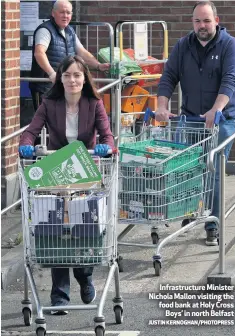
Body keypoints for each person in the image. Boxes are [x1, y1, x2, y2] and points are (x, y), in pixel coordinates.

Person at [19, 55, 114, 314]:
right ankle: (59, 294)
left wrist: (106, 147)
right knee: (55, 232)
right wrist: (26, 144)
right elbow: (32, 129)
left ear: (85, 79)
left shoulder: (94, 104)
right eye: (67, 75)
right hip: (56, 171)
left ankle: (84, 276)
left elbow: (107, 134)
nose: (72, 80)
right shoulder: (50, 103)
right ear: (60, 79)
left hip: (85, 171)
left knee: (83, 228)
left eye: (77, 75)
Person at [155, 1, 235, 246]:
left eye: (206, 20)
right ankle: (194, 211)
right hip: (191, 118)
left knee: (212, 169)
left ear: (216, 19)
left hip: (222, 120)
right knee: (191, 169)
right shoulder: (183, 45)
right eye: (197, 21)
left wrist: (217, 109)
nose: (202, 26)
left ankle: (212, 224)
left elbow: (231, 78)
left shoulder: (229, 45)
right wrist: (162, 105)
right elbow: (169, 76)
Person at [30, 0, 110, 111]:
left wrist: (98, 65)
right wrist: (52, 74)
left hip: (63, 86)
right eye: (62, 12)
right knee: (46, 123)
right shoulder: (45, 30)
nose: (65, 16)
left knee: (62, 122)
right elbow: (39, 53)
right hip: (46, 87)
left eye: (68, 13)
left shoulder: (69, 30)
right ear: (53, 13)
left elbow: (82, 52)